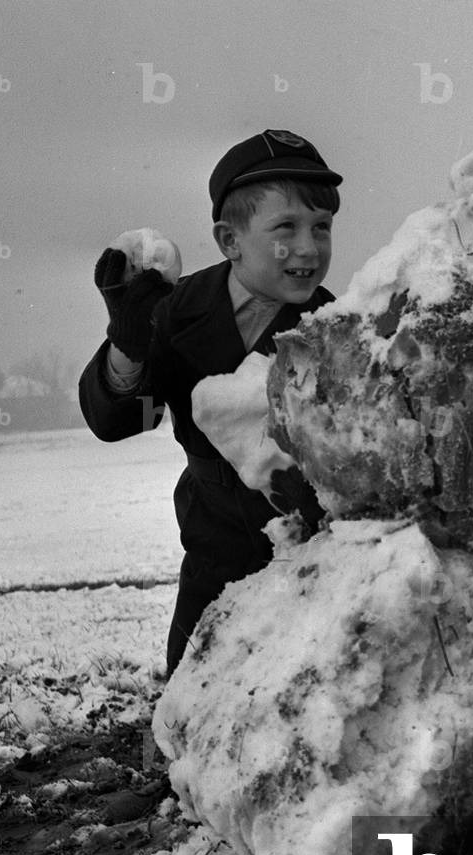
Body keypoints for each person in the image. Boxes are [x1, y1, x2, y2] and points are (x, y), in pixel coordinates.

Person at [78, 129, 342, 678]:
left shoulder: (337, 328)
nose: (309, 248)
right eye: (285, 228)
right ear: (229, 240)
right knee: (191, 710)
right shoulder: (174, 311)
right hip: (213, 546)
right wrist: (128, 346)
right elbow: (120, 419)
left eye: (321, 227)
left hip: (307, 557)